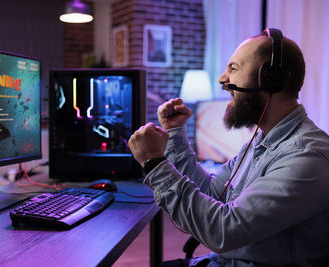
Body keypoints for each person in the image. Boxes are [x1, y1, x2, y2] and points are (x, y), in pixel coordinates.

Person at [128, 28, 329, 266]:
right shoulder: (260, 142)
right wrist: (175, 133)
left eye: (233, 68)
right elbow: (213, 194)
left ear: (270, 79)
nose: (222, 79)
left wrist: (154, 163)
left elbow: (225, 230)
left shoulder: (306, 156)